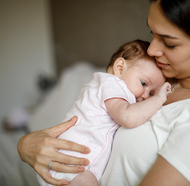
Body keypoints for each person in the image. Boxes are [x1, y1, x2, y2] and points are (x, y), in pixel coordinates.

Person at [17, 0, 190, 185]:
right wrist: (25, 145)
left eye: (169, 43)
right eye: (152, 33)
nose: (153, 49)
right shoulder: (156, 74)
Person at [37, 39, 171, 186]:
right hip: (69, 165)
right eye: (144, 83)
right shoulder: (111, 84)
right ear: (120, 68)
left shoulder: (116, 91)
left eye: (151, 93)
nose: (146, 96)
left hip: (76, 167)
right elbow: (127, 117)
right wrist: (158, 98)